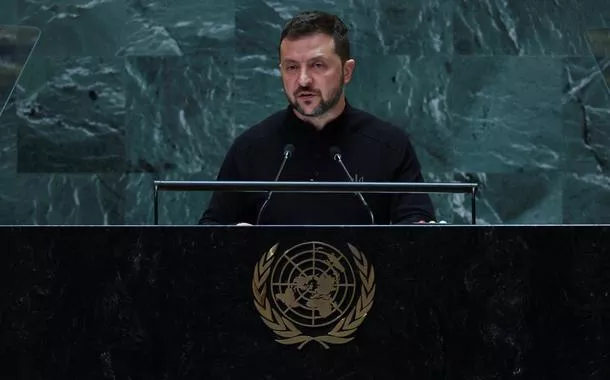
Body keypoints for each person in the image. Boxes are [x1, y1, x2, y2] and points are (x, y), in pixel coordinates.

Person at [199, 10, 435, 225]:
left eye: (317, 65)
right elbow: (209, 234)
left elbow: (416, 229)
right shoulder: (250, 148)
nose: (303, 80)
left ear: (347, 71)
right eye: (291, 67)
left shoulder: (390, 145)